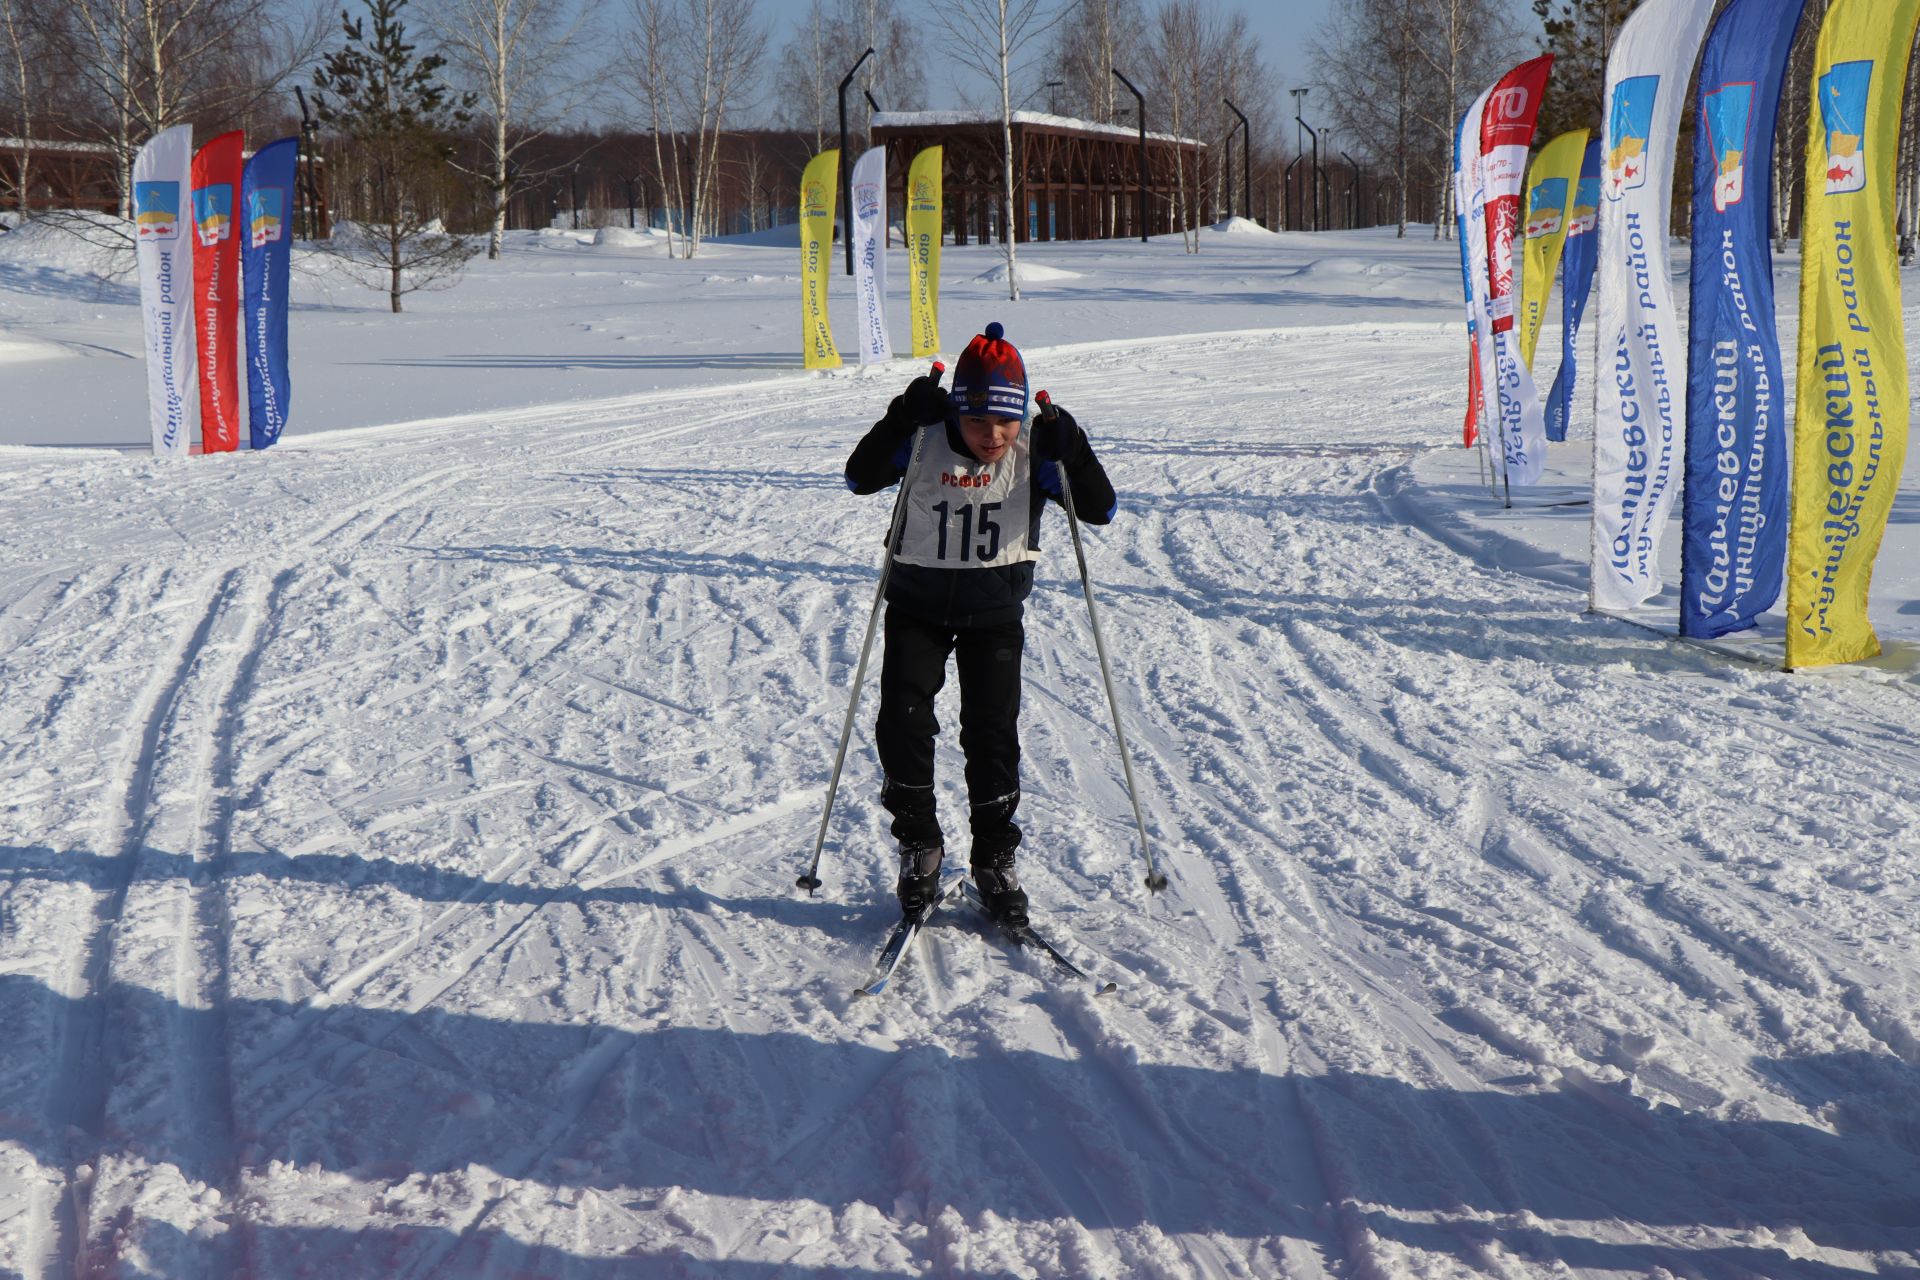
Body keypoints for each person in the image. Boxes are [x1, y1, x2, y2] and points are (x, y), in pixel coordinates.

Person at [843, 323, 1116, 927]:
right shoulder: (920, 438)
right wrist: (896, 417)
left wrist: (1075, 448)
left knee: (992, 735)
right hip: (917, 607)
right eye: (978, 422)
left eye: (1006, 422)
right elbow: (859, 477)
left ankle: (995, 857)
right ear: (956, 411)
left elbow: (1100, 509)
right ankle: (921, 844)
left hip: (995, 618)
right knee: (902, 721)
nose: (993, 436)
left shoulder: (1036, 450)